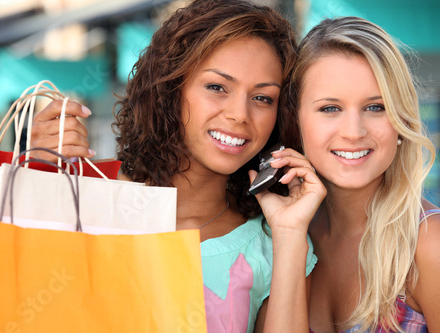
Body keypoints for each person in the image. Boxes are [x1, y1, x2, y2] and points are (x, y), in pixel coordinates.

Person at [30, 0, 325, 331]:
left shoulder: (272, 245)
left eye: (262, 98)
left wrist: (288, 235)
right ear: (171, 89)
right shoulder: (86, 198)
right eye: (217, 87)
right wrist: (39, 180)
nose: (240, 114)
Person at [271, 16, 440, 332]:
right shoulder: (287, 231)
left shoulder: (429, 244)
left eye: (376, 107)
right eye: (330, 108)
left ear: (400, 118)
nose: (353, 131)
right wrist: (289, 235)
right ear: (295, 119)